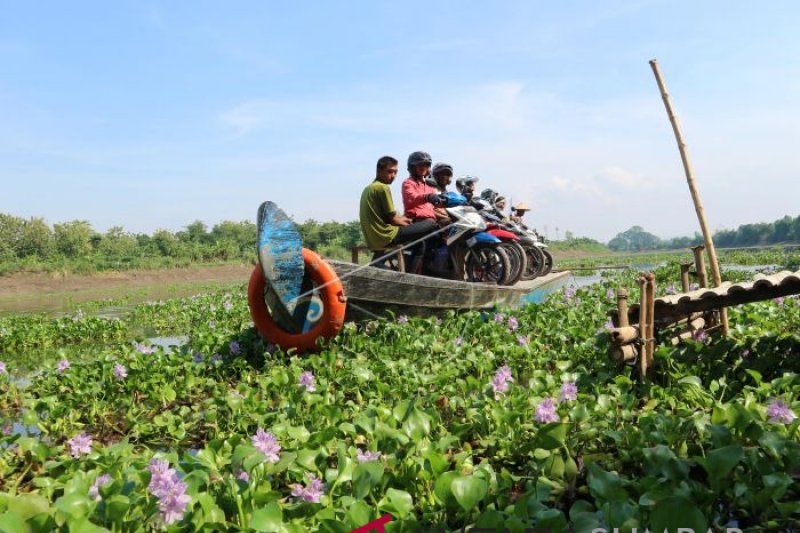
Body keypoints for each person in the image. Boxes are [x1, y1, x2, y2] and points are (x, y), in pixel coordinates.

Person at [359, 155, 437, 273]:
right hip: (386, 235)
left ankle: (378, 262)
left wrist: (404, 220)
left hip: (374, 237)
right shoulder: (382, 188)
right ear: (379, 171)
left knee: (418, 241)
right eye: (390, 172)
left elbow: (388, 216)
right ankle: (410, 277)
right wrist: (409, 222)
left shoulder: (369, 188)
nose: (393, 176)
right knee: (430, 224)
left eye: (395, 172)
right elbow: (393, 219)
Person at [401, 151, 442, 223]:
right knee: (431, 223)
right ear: (412, 167)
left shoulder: (429, 186)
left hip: (431, 221)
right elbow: (413, 198)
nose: (424, 167)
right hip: (416, 220)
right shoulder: (408, 183)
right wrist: (427, 197)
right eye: (420, 165)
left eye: (426, 165)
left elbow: (438, 203)